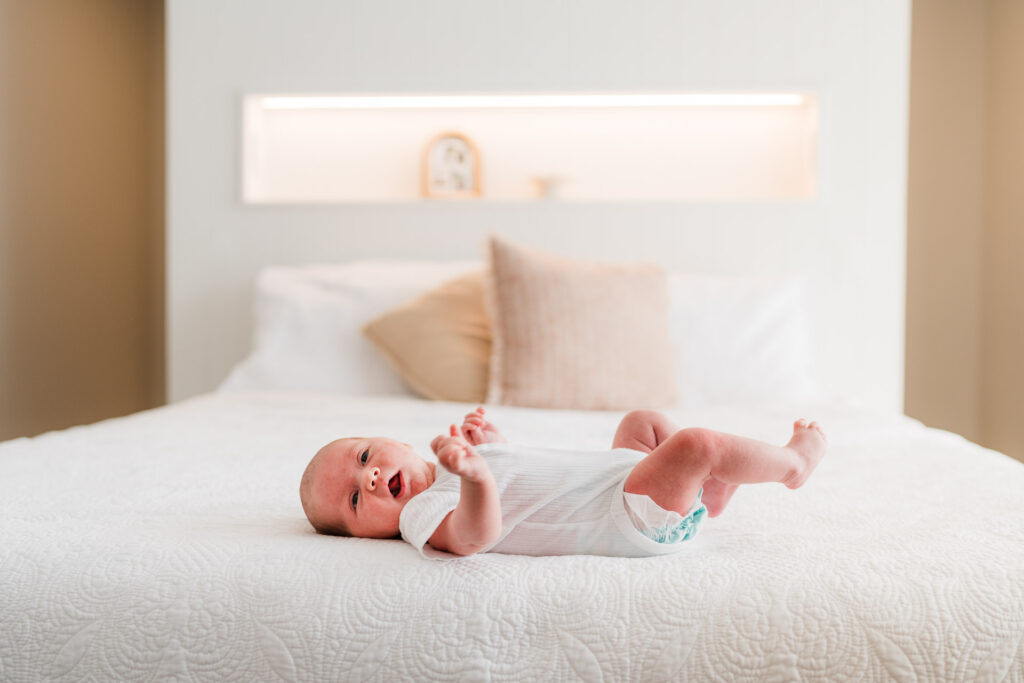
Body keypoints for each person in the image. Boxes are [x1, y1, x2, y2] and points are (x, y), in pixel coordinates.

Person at [299, 407, 826, 558]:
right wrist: (478, 477)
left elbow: (523, 474)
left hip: (612, 478)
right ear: (365, 535)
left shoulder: (455, 467)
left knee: (643, 425)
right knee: (694, 445)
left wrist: (494, 446)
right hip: (625, 515)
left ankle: (706, 497)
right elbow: (474, 535)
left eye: (364, 456)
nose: (367, 476)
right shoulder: (421, 517)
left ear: (399, 444)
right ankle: (791, 465)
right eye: (352, 498)